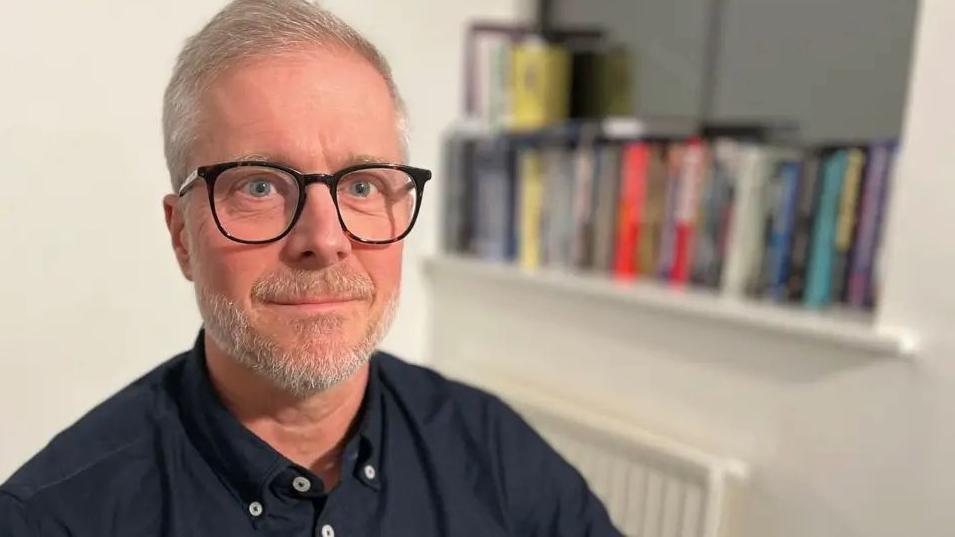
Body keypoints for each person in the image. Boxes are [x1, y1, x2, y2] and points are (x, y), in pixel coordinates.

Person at [0, 1, 621, 535]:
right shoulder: (55, 518)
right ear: (181, 235)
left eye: (361, 186)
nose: (325, 240)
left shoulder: (492, 452)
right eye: (261, 187)